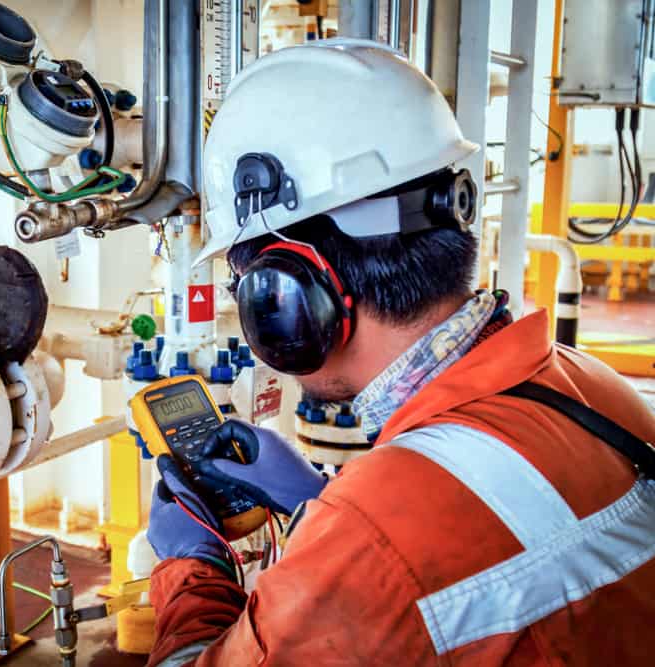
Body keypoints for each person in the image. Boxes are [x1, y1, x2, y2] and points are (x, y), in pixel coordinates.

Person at [144, 39, 655, 666]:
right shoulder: (589, 384)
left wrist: (191, 570)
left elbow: (397, 562)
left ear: (289, 294)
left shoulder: (376, 535)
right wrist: (315, 502)